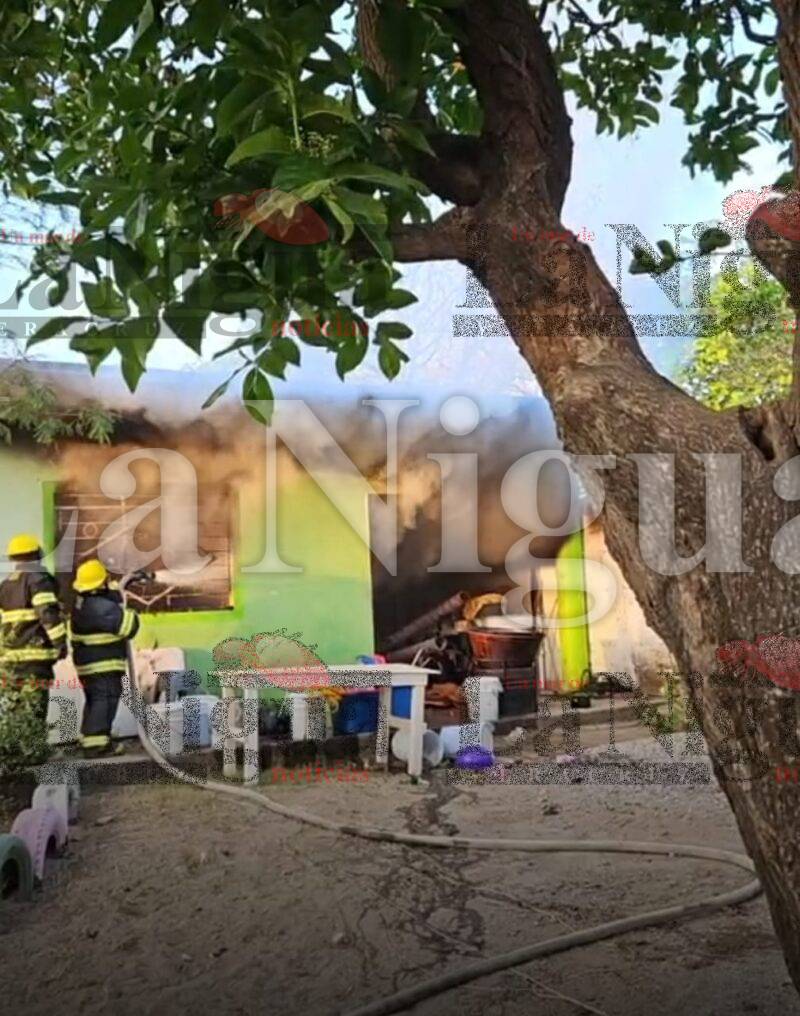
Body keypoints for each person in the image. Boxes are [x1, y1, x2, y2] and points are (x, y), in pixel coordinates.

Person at [0, 533, 67, 740]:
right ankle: (34, 749)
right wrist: (60, 643)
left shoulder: (5, 585)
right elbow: (47, 613)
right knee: (35, 704)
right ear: (35, 554)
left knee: (16, 706)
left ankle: (18, 748)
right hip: (35, 659)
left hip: (11, 660)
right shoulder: (38, 580)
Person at [69, 559, 140, 757]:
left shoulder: (83, 602)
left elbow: (109, 603)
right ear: (101, 583)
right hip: (103, 664)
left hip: (90, 665)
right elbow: (128, 627)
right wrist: (132, 613)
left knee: (95, 700)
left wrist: (115, 592)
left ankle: (90, 739)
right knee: (104, 700)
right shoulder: (99, 607)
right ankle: (97, 746)